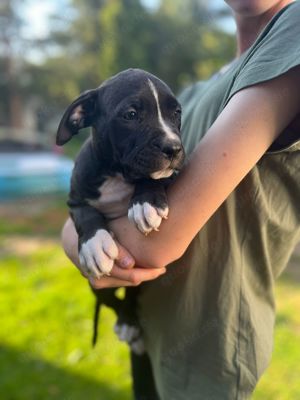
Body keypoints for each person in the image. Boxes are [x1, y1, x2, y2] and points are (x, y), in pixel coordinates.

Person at [61, 0, 300, 398]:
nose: (172, 138)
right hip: (147, 324)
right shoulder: (190, 91)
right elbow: (76, 221)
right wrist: (78, 234)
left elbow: (153, 244)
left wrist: (84, 238)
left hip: (211, 348)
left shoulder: (293, 30)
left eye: (172, 119)